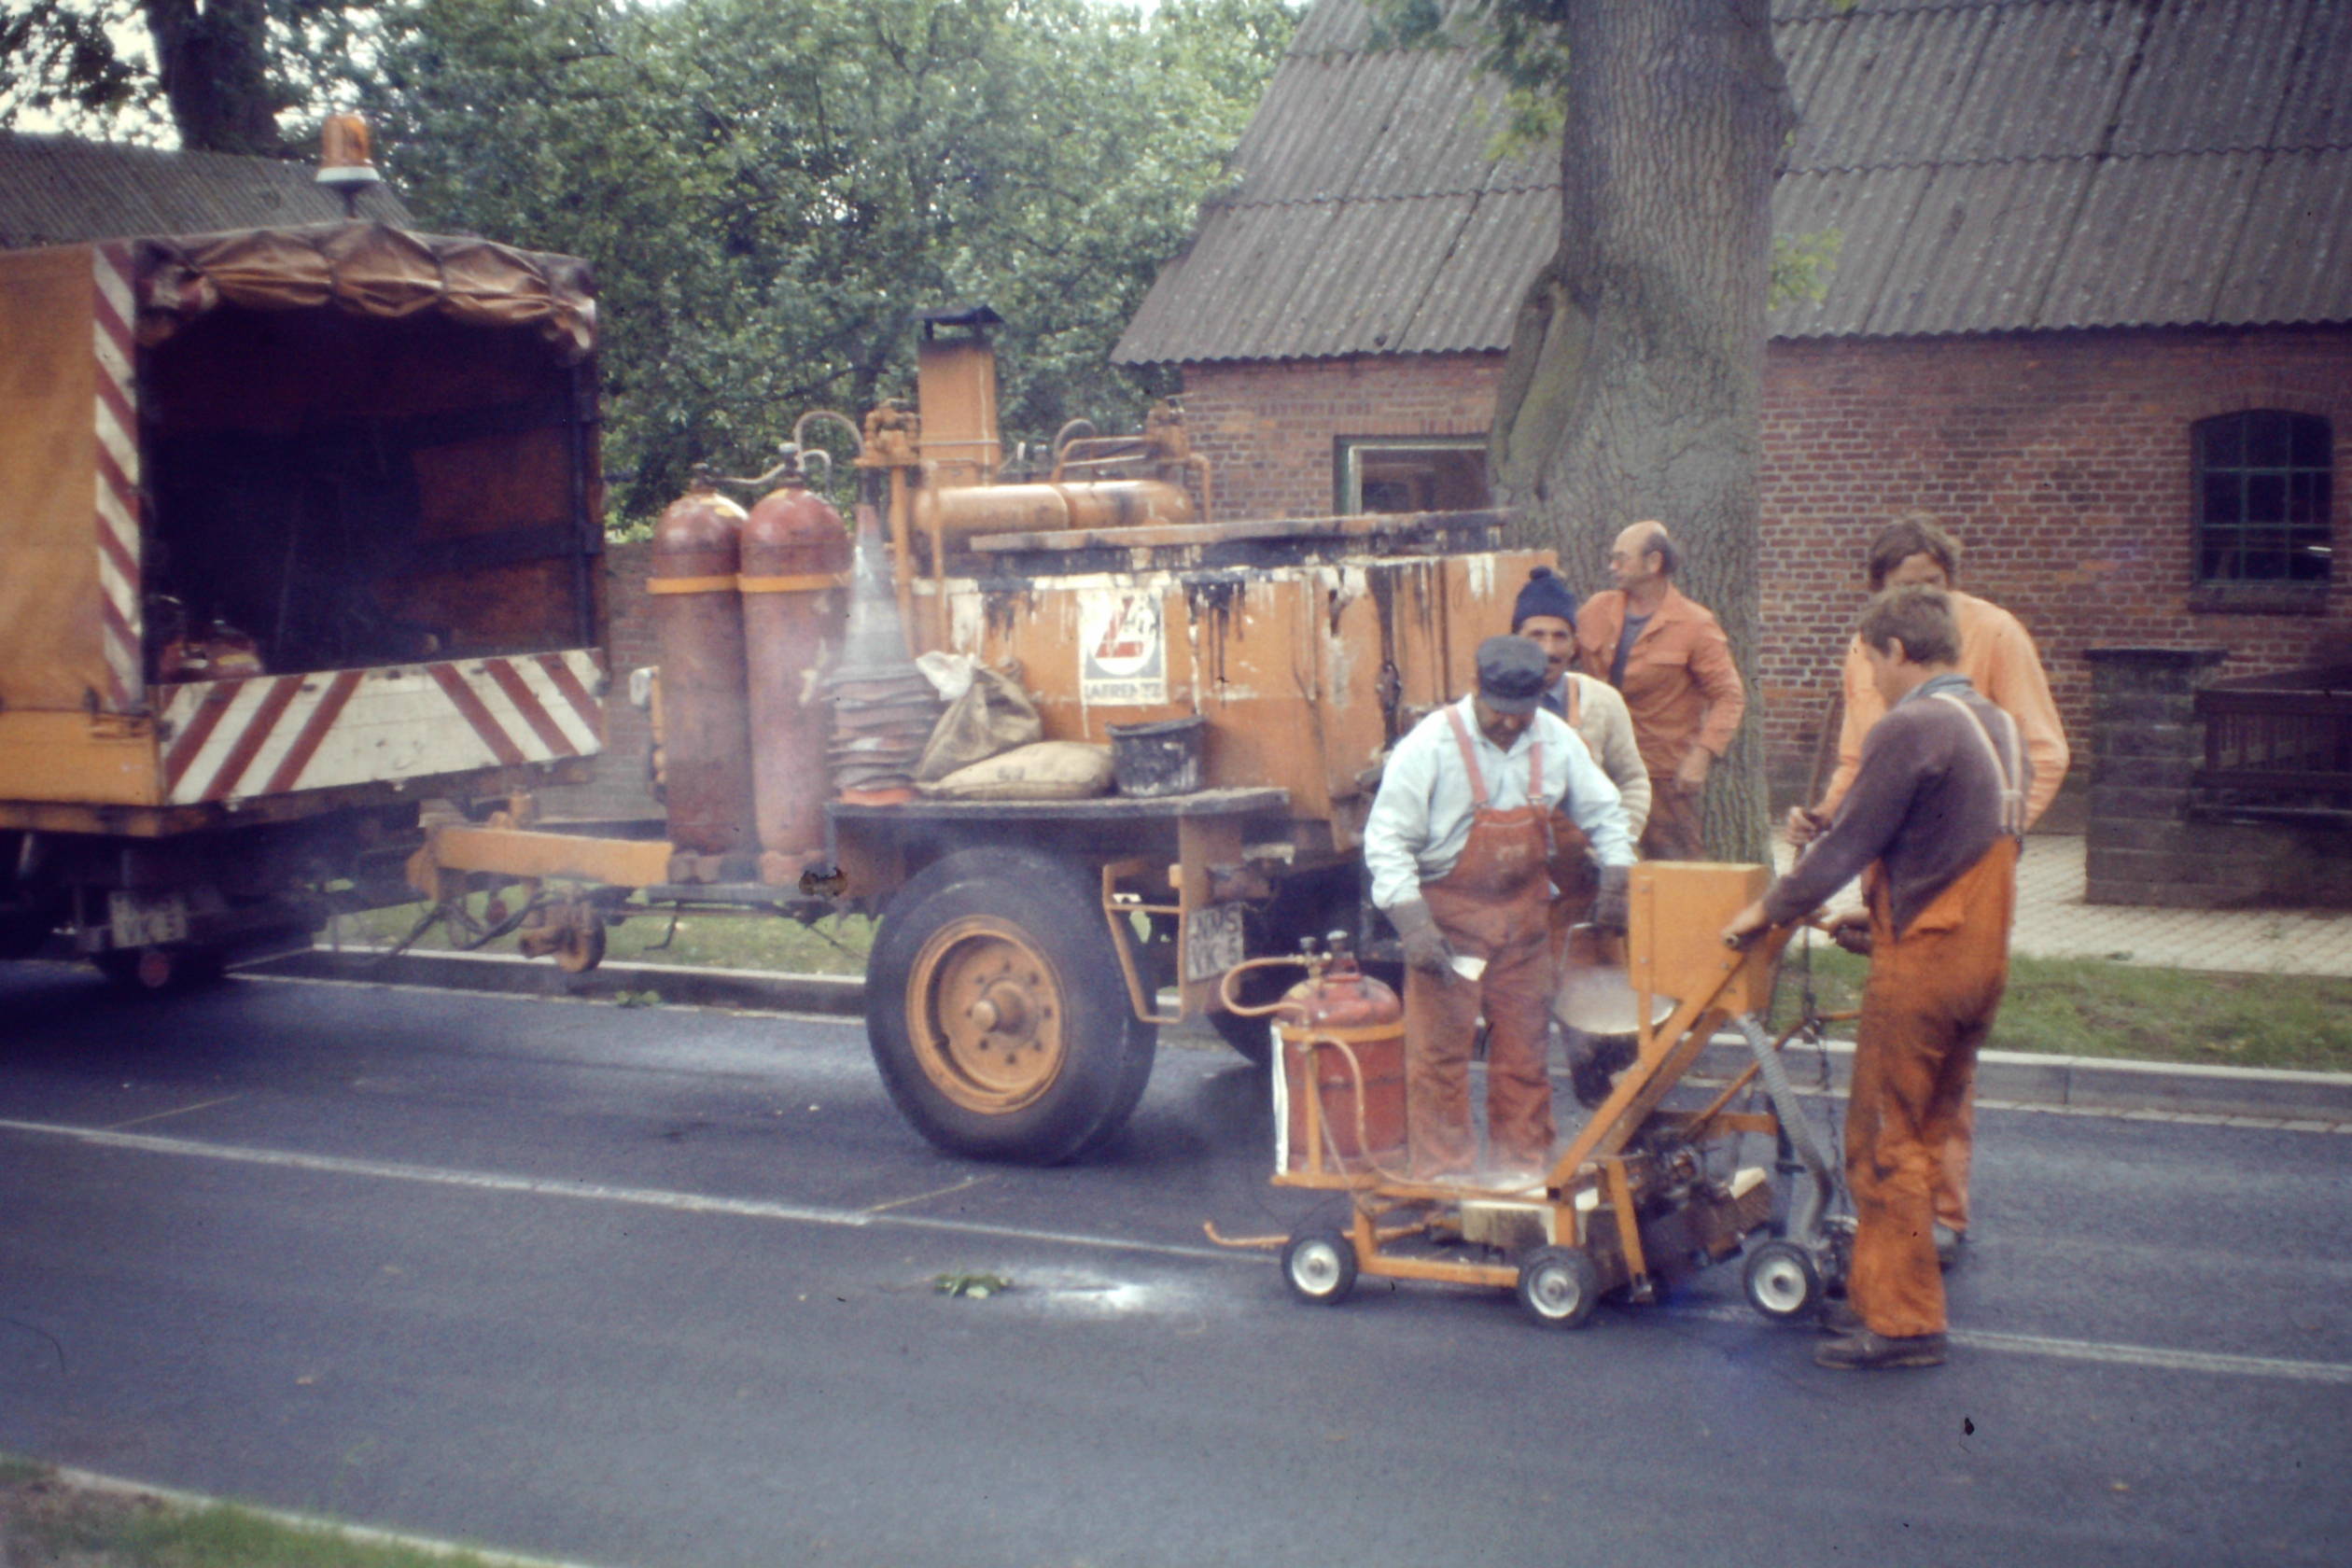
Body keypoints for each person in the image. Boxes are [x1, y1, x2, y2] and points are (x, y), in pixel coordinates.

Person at [1722, 586, 2029, 1371]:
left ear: (1897, 651)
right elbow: (1955, 847)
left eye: (1868, 660)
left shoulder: (1912, 724)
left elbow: (1848, 844)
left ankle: (1902, 1324)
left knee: (1883, 1141)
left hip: (1926, 969)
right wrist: (1878, 926)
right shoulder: (1994, 723)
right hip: (1978, 960)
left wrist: (1766, 912)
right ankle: (1888, 1291)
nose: (1869, 679)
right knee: (1924, 1135)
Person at [1785, 512, 2067, 1266]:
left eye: (1935, 587)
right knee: (1899, 1047)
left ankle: (1938, 1215)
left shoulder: (1995, 634)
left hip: (1966, 872)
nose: (1924, 601)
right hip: (1895, 863)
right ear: (1879, 595)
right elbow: (1858, 758)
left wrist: (1988, 841)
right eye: (1907, 589)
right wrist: (1827, 817)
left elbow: (2043, 749)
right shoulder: (1866, 648)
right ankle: (1896, 1214)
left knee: (1935, 1050)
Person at [1364, 636, 1636, 1183]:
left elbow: (1607, 814)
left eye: (1523, 713)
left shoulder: (1556, 741)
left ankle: (1522, 1174)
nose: (1511, 724)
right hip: (1448, 928)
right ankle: (1446, 1179)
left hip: (1523, 926)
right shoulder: (1430, 746)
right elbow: (1387, 841)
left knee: (1524, 1059)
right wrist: (1413, 925)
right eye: (1499, 713)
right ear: (1475, 690)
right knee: (1439, 1062)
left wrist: (1616, 879)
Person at [1575, 522, 1744, 860]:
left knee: (1675, 869)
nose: (1613, 567)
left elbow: (1729, 696)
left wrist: (1701, 756)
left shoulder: (1695, 624)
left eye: (1621, 559)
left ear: (1653, 563)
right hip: (1597, 765)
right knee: (1594, 863)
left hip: (1662, 774)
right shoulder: (1596, 609)